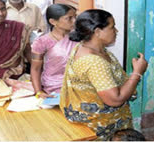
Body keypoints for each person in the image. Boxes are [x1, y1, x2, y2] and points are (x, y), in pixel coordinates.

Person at [60, 9, 148, 140]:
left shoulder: (87, 48)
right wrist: (137, 72)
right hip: (100, 127)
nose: (116, 31)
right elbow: (115, 99)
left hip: (107, 120)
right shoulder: (94, 62)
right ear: (97, 32)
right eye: (112, 27)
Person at [31, 4, 77, 98]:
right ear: (53, 21)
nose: (74, 21)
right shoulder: (42, 42)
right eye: (69, 18)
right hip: (54, 87)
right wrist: (38, 92)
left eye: (75, 17)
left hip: (78, 85)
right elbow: (35, 69)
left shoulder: (78, 38)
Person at [0, 0, 31, 85]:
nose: (0, 13)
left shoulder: (17, 28)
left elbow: (28, 52)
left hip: (15, 78)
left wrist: (39, 70)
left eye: (3, 9)